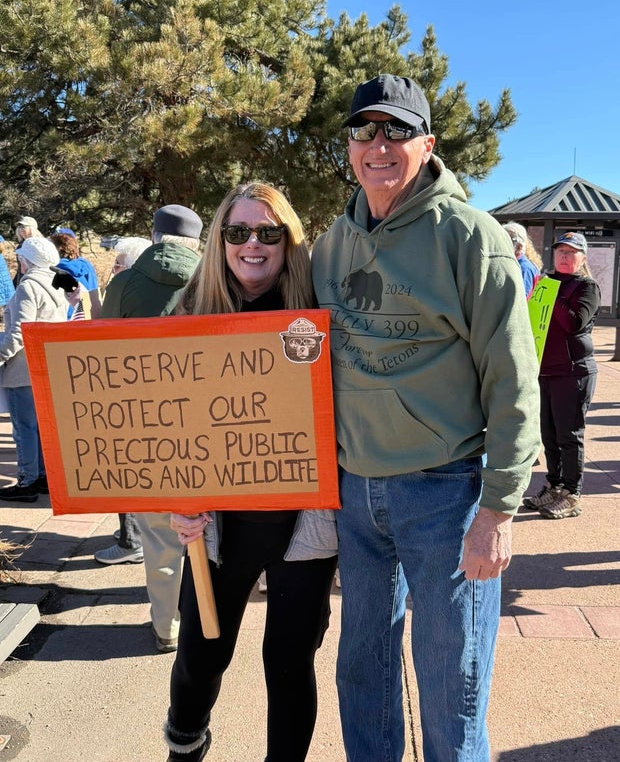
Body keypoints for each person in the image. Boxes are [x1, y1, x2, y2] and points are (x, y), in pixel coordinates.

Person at [310, 74, 541, 762]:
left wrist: (498, 511)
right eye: (364, 130)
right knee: (363, 672)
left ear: (427, 143)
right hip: (357, 495)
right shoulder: (331, 245)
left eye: (396, 130)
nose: (378, 144)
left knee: (452, 683)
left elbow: (513, 382)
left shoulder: (472, 239)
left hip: (447, 494)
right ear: (349, 144)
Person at [164, 182, 338, 762]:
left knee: (289, 663)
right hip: (217, 527)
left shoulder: (318, 312)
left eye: (269, 232)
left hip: (302, 524)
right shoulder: (189, 310)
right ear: (219, 240)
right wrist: (174, 499)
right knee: (200, 655)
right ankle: (185, 745)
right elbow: (155, 428)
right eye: (237, 232)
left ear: (289, 241)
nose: (253, 245)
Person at [93, 204, 203, 656]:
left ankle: (166, 627)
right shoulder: (214, 279)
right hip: (211, 425)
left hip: (143, 429)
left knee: (158, 534)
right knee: (208, 532)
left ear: (155, 236)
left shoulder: (123, 283)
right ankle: (208, 619)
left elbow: (96, 354)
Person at [522, 232, 600, 519]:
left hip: (573, 372)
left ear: (582, 257)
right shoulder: (547, 283)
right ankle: (553, 486)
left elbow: (574, 324)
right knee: (549, 434)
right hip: (546, 370)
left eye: (572, 252)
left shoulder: (586, 286)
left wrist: (553, 295)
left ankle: (571, 494)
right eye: (560, 251)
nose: (565, 257)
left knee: (569, 435)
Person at [0, 238, 68, 502]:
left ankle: (27, 481)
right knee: (40, 427)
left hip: (23, 367)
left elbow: (18, 333)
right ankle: (41, 477)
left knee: (24, 428)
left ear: (27, 261)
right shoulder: (56, 283)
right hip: (45, 364)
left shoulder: (29, 286)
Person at [49, 232, 102, 319]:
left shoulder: (55, 269)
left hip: (69, 315)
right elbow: (94, 289)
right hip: (89, 312)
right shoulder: (87, 265)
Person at [502, 221, 542, 296]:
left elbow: (521, 299)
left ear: (519, 246)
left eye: (506, 241)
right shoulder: (512, 264)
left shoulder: (525, 268)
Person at [13, 216, 42, 288]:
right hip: (22, 279)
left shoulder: (39, 244)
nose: (21, 229)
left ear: (32, 228)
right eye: (19, 226)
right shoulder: (21, 245)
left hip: (35, 281)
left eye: (24, 226)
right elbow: (20, 268)